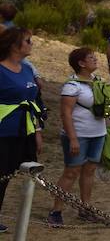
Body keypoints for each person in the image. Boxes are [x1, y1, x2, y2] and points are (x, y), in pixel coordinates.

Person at [49, 47, 108, 227]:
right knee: (71, 172)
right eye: (91, 57)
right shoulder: (72, 85)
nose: (95, 60)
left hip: (98, 134)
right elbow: (65, 113)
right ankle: (56, 211)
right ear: (81, 63)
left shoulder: (98, 81)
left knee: (89, 171)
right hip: (79, 135)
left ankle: (85, 208)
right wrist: (73, 138)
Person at [0, 28, 42, 234]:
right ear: (14, 45)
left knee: (7, 176)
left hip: (23, 131)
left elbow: (33, 101)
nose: (31, 44)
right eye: (28, 41)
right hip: (2, 131)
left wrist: (37, 131)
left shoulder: (26, 69)